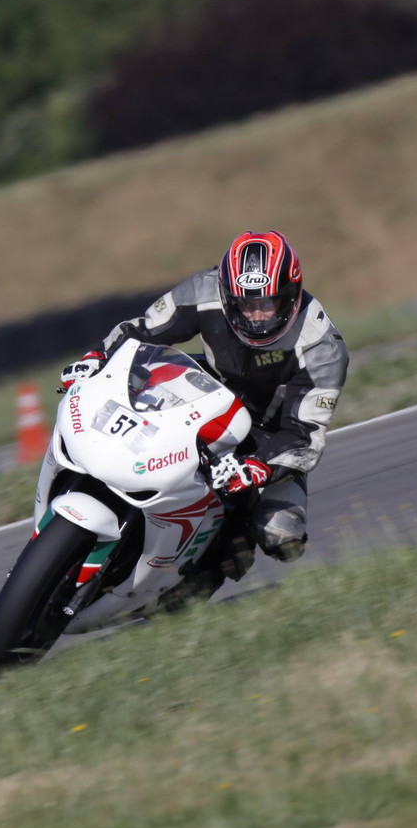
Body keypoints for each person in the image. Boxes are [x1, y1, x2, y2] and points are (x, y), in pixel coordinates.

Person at [59, 230, 348, 580]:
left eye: (267, 304)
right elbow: (141, 331)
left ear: (291, 296)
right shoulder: (204, 290)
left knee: (283, 536)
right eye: (245, 305)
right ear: (226, 295)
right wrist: (96, 358)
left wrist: (257, 467)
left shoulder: (321, 346)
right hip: (203, 396)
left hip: (267, 435)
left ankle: (217, 557)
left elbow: (304, 435)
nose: (256, 316)